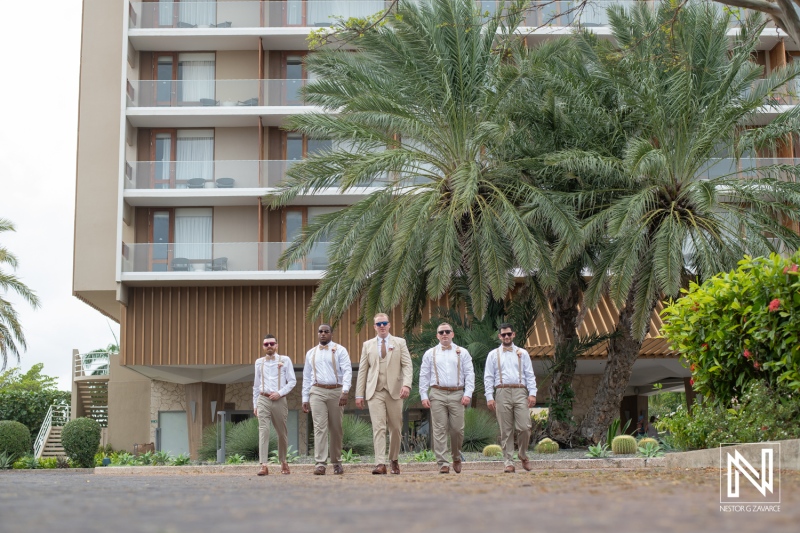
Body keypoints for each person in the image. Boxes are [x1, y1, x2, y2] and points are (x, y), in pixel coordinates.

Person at [356, 313, 413, 475]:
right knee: (378, 427)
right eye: (378, 324)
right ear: (374, 327)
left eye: (384, 323)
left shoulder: (399, 342)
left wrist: (407, 385)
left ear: (389, 325)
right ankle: (380, 463)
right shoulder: (367, 345)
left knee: (395, 428)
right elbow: (362, 370)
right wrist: (359, 394)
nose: (382, 326)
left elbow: (407, 365)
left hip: (394, 390)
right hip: (375, 391)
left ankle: (394, 459)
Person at [419, 322, 475, 474]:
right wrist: (423, 394)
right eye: (441, 332)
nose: (444, 334)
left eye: (447, 331)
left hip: (457, 393)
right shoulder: (430, 353)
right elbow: (424, 375)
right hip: (437, 393)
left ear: (452, 334)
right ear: (437, 335)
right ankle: (443, 463)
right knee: (439, 429)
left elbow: (470, 374)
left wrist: (468, 393)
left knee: (457, 429)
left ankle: (456, 457)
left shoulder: (462, 352)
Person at [484, 323, 537, 473]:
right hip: (501, 392)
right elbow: (488, 377)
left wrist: (532, 393)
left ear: (513, 334)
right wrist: (489, 396)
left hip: (520, 391)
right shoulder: (493, 354)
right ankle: (508, 461)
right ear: (499, 336)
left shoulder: (522, 353)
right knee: (505, 430)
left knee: (525, 427)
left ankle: (523, 454)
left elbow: (530, 374)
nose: (506, 337)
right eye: (503, 334)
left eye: (509, 334)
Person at [301, 323, 352, 475]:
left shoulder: (340, 350)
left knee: (336, 428)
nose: (323, 334)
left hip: (336, 390)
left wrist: (345, 391)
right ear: (317, 334)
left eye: (326, 331)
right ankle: (320, 463)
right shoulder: (311, 353)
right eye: (320, 331)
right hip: (317, 391)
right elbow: (306, 376)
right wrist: (305, 397)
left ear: (331, 334)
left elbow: (347, 370)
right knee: (319, 428)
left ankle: (336, 462)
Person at [252, 334, 296, 476]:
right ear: (263, 347)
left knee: (281, 432)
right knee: (263, 430)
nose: (269, 346)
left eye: (271, 343)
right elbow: (256, 385)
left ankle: (283, 461)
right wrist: (255, 404)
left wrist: (280, 393)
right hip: (263, 398)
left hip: (279, 399)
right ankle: (263, 465)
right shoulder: (259, 362)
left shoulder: (285, 360)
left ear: (276, 345)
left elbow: (292, 381)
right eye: (266, 344)